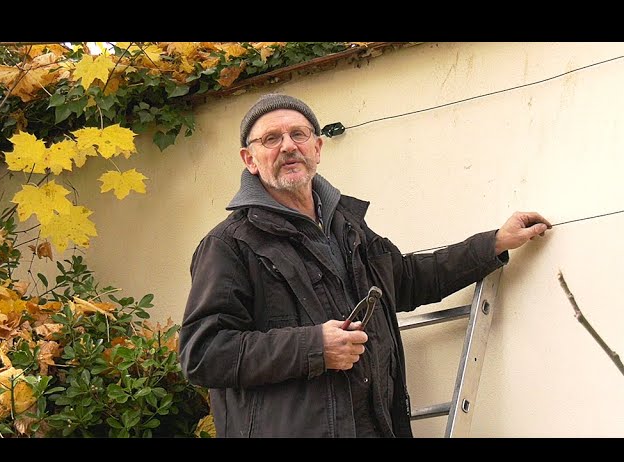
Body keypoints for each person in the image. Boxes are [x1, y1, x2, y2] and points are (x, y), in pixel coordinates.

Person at [179, 93, 552, 438]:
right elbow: (203, 353)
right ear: (250, 160)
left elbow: (405, 280)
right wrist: (313, 346)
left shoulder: (347, 226)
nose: (289, 146)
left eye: (298, 134)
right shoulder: (228, 245)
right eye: (271, 139)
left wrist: (493, 243)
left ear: (318, 147)